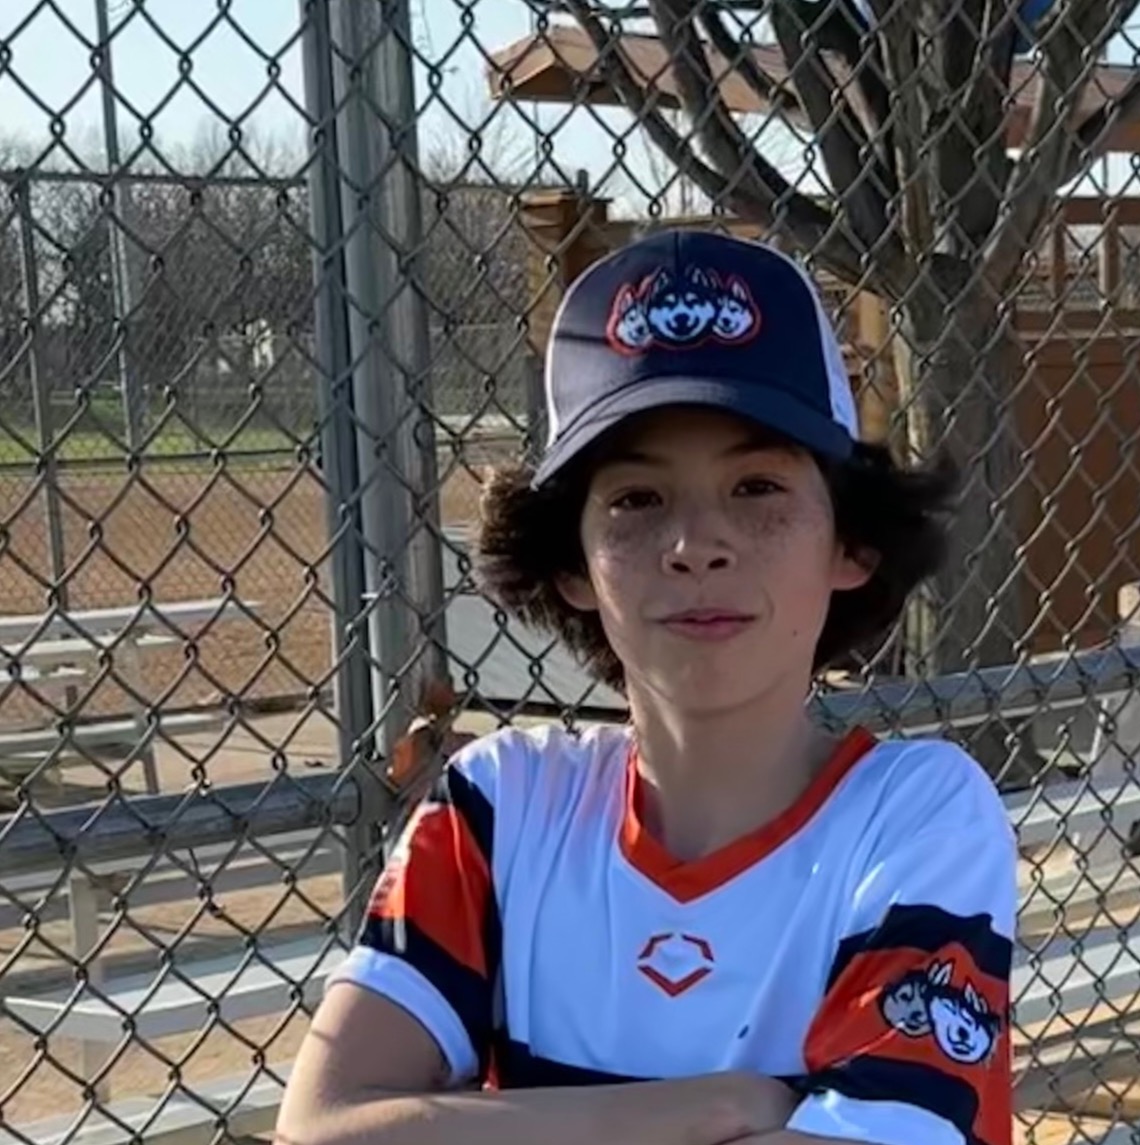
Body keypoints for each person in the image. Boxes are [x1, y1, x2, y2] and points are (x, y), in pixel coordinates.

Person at [276, 229, 1017, 1145]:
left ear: (852, 543)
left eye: (757, 487)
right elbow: (321, 1128)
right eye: (636, 499)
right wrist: (710, 1105)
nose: (695, 545)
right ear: (573, 563)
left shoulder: (914, 815)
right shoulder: (504, 804)